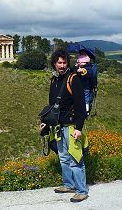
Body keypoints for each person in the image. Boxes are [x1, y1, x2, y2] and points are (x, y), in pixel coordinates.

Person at [48, 49, 88, 202]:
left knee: (75, 158)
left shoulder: (74, 79)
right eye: (59, 62)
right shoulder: (54, 80)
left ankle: (81, 190)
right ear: (54, 63)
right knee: (63, 158)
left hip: (71, 126)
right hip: (59, 125)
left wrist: (79, 128)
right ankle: (68, 184)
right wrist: (46, 122)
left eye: (64, 62)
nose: (62, 65)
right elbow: (52, 104)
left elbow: (80, 106)